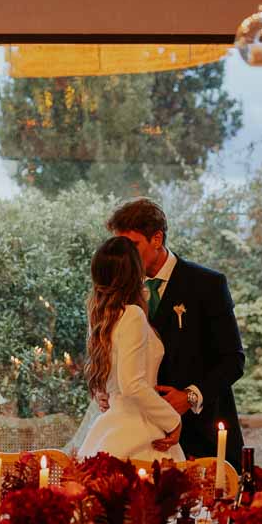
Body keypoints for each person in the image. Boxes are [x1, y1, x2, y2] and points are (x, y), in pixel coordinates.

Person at [107, 197, 246, 469]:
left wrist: (191, 396)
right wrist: (107, 388)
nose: (125, 256)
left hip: (201, 433)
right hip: (144, 437)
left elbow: (233, 360)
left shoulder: (207, 284)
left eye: (132, 245)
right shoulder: (120, 291)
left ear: (156, 239)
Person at [77, 236, 186, 464]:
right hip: (139, 428)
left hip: (112, 427)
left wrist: (102, 392)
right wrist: (172, 420)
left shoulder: (100, 318)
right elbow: (131, 384)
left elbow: (113, 378)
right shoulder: (132, 315)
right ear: (136, 273)